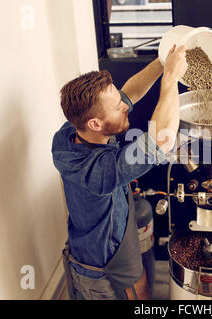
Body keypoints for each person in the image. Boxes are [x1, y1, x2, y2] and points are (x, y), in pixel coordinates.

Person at [51, 45, 188, 300]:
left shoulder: (68, 134)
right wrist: (171, 79)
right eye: (117, 107)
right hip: (102, 271)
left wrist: (162, 62)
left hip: (96, 248)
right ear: (95, 123)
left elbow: (130, 93)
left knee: (142, 289)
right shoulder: (100, 171)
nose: (125, 106)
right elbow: (161, 140)